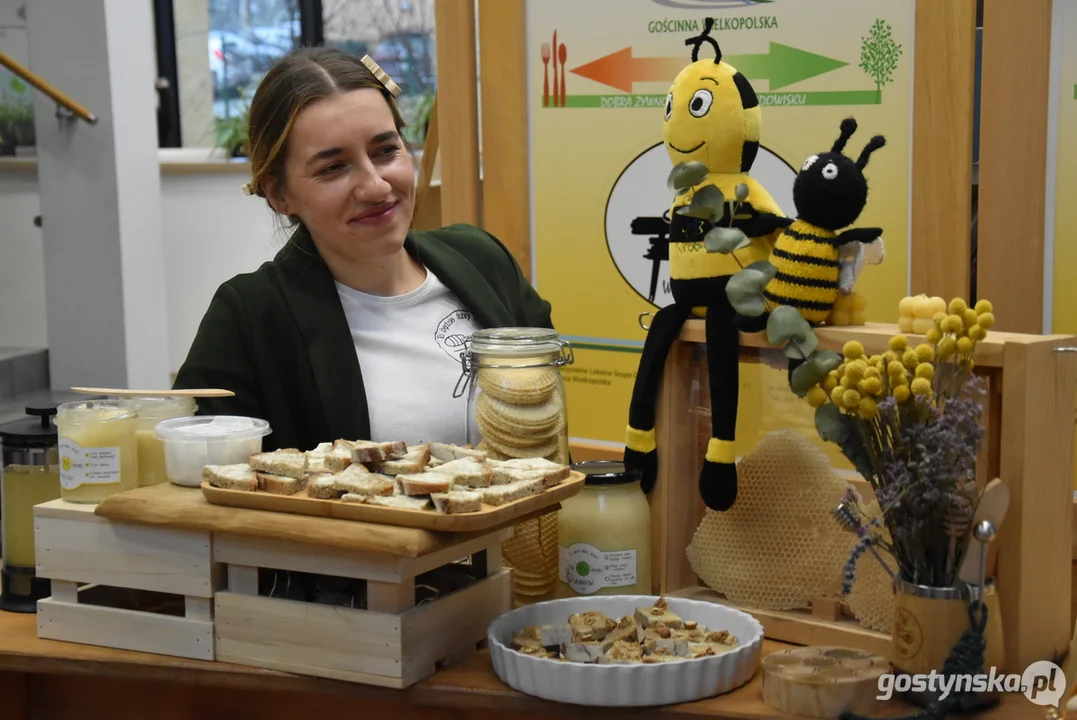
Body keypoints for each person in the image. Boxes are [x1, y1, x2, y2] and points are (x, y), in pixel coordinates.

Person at [172, 47, 552, 452]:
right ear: (279, 194)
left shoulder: (483, 261)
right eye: (333, 167)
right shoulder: (249, 318)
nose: (376, 187)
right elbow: (203, 488)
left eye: (386, 150)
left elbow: (548, 427)